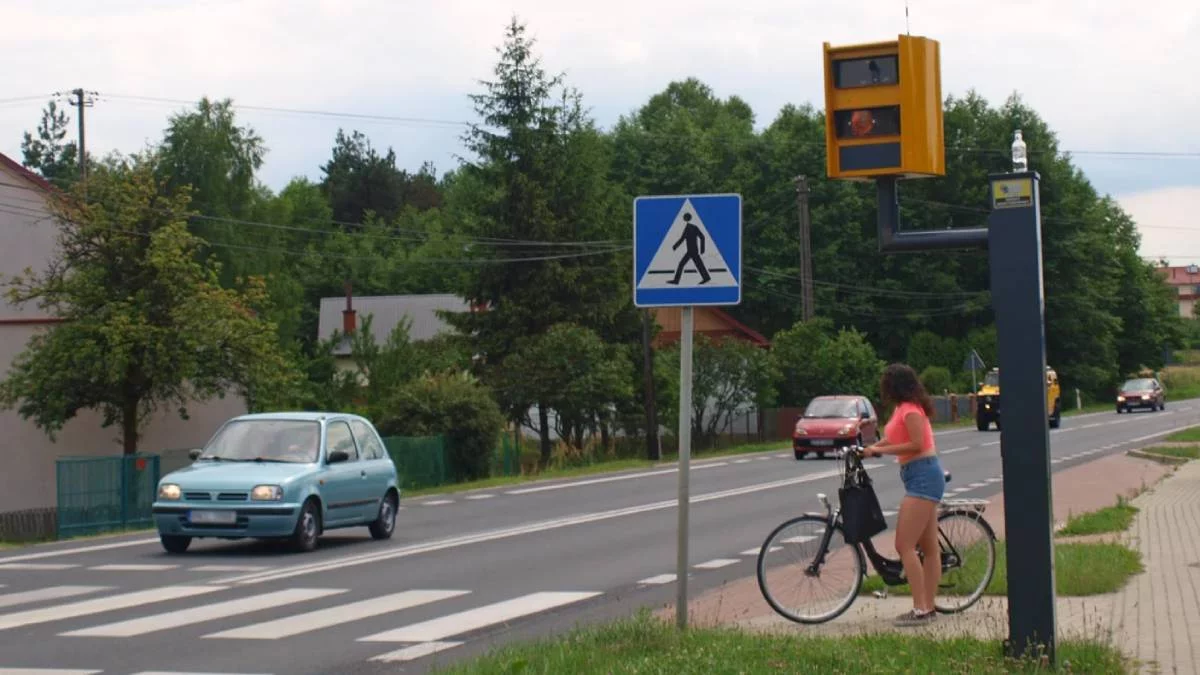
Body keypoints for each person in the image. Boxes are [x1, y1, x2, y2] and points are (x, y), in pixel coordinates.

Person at [863, 363, 943, 626]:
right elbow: (896, 438)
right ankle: (928, 607)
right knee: (929, 548)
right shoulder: (903, 408)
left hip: (922, 476)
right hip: (918, 474)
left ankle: (920, 609)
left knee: (904, 545)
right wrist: (872, 448)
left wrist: (880, 452)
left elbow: (916, 443)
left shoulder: (910, 410)